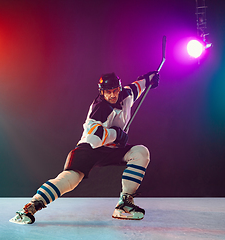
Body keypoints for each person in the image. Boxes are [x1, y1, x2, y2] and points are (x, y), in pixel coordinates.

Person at [10, 71, 160, 224]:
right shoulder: (99, 108)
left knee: (140, 152)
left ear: (119, 88)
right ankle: (30, 208)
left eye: (115, 90)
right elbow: (93, 137)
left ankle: (124, 204)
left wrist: (148, 79)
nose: (112, 95)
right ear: (102, 92)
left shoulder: (126, 94)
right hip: (89, 149)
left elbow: (138, 86)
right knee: (69, 180)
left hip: (112, 149)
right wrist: (116, 134)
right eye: (108, 92)